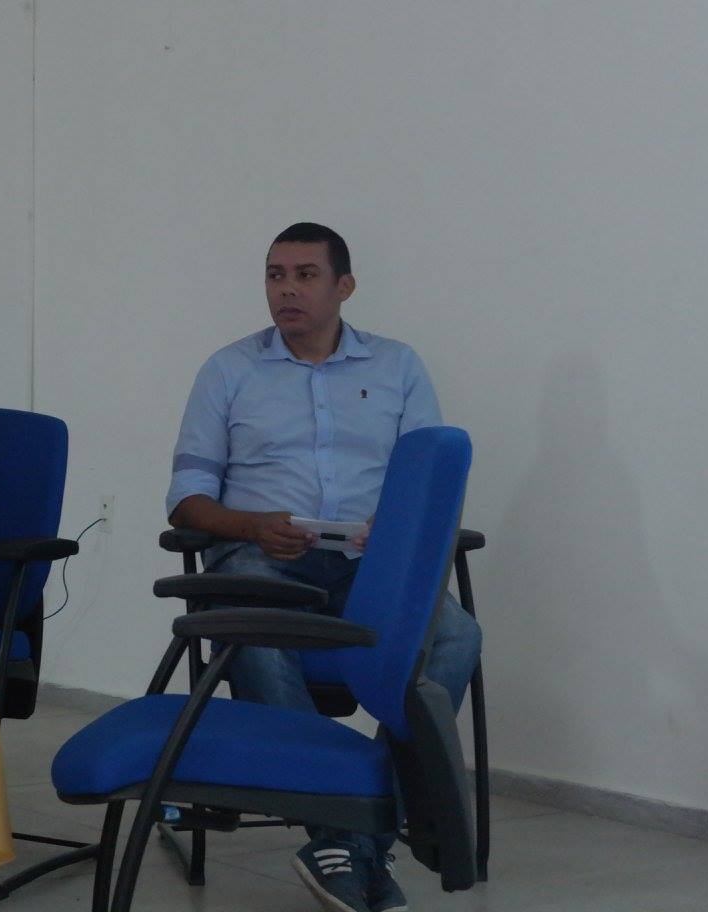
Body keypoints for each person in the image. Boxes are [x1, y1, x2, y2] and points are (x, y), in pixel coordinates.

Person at [165, 222, 482, 912]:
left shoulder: (398, 366)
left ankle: (363, 831)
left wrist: (394, 531)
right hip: (262, 557)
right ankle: (344, 834)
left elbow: (427, 488)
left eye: (305, 275)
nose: (287, 289)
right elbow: (186, 501)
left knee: (458, 635)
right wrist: (252, 525)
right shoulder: (229, 370)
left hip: (371, 564)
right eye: (275, 275)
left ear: (344, 286)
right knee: (251, 622)